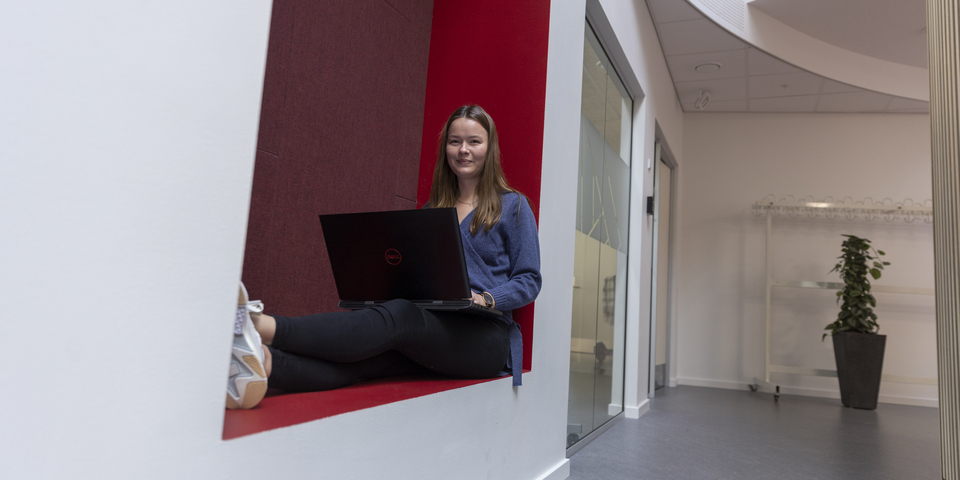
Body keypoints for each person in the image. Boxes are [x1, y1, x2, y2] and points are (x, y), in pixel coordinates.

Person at [227, 105, 542, 409]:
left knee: (401, 315)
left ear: (490, 148)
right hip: (435, 327)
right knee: (369, 359)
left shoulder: (513, 206)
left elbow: (529, 280)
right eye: (455, 141)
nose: (463, 150)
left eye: (474, 141)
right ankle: (266, 367)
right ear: (445, 148)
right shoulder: (431, 213)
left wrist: (486, 299)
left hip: (486, 336)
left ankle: (259, 325)